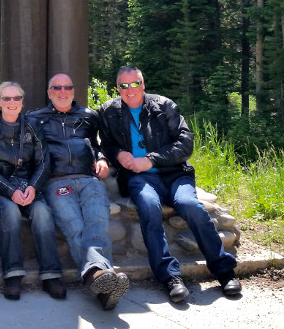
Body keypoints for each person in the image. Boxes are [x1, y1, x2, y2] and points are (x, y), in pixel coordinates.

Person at [99, 66, 241, 302]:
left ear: (143, 84)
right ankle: (169, 276)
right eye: (124, 85)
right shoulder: (109, 111)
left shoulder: (164, 106)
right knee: (148, 206)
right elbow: (106, 144)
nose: (129, 89)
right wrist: (119, 154)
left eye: (135, 83)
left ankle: (224, 271)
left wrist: (151, 160)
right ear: (118, 88)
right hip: (138, 178)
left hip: (174, 174)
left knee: (192, 206)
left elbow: (185, 145)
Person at [27, 73, 129, 311]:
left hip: (88, 178)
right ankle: (102, 276)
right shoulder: (34, 118)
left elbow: (95, 143)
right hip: (56, 181)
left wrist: (101, 157)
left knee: (98, 221)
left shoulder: (89, 115)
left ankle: (96, 278)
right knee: (74, 226)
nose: (63, 92)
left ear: (73, 91)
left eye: (67, 87)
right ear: (49, 92)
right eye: (57, 88)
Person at [0, 81, 66, 301]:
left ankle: (51, 275)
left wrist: (34, 187)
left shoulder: (33, 126)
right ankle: (13, 275)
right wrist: (10, 191)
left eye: (16, 98)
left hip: (28, 184)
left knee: (43, 212)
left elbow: (44, 163)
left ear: (22, 101)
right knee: (9, 210)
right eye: (6, 98)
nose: (12, 103)